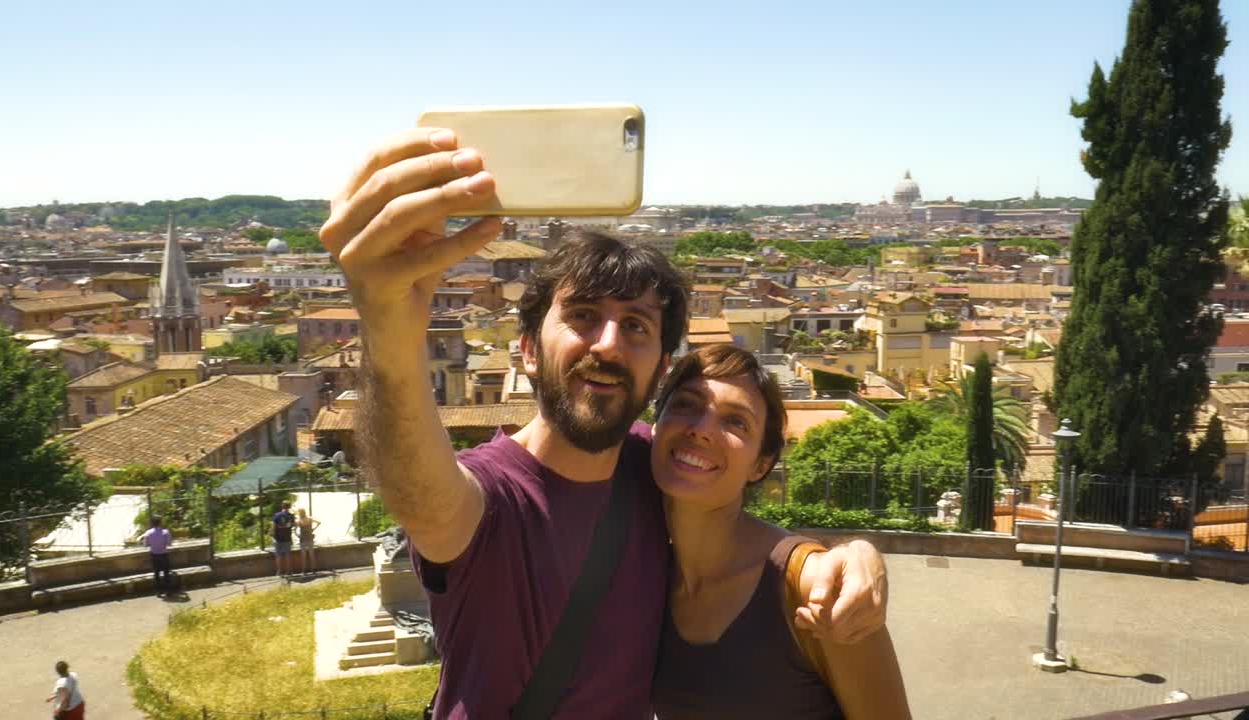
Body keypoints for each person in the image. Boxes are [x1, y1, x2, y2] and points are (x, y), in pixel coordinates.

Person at [320, 127, 889, 719]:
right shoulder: (491, 495)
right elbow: (423, 496)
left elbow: (731, 521)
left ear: (659, 368)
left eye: (637, 325)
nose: (609, 345)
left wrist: (846, 556)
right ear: (528, 351)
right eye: (584, 316)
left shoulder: (656, 464)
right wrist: (388, 330)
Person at [650, 344, 910, 719]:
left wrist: (861, 551)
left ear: (761, 464)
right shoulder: (644, 569)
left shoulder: (815, 591)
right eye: (687, 405)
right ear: (655, 427)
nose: (702, 430)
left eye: (735, 422)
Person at [138, 515, 172, 596]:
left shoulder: (148, 533)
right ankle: (168, 591)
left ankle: (158, 591)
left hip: (154, 555)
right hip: (164, 555)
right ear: (160, 522)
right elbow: (169, 544)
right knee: (166, 573)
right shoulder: (165, 532)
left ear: (152, 523)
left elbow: (146, 545)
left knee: (156, 573)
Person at [271, 501, 295, 576]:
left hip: (278, 538)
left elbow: (274, 526)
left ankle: (279, 572)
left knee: (278, 556)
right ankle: (289, 571)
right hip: (287, 538)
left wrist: (273, 535)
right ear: (289, 507)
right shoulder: (291, 516)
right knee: (287, 555)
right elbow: (292, 525)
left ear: (282, 506)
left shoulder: (276, 515)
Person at [296, 507, 322, 574]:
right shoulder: (310, 519)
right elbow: (319, 522)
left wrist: (297, 535)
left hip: (303, 539)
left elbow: (295, 529)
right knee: (311, 555)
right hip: (310, 538)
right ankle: (314, 569)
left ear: (300, 513)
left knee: (303, 556)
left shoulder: (299, 521)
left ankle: (304, 570)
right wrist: (313, 529)